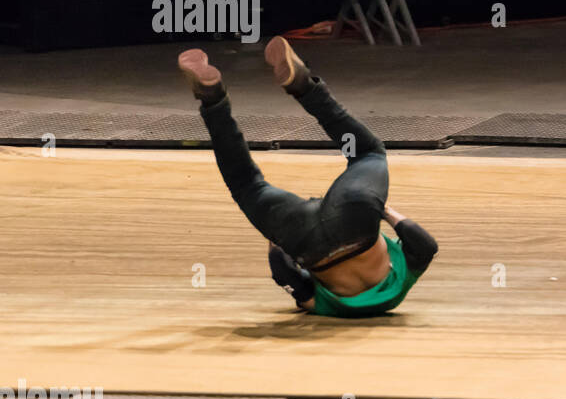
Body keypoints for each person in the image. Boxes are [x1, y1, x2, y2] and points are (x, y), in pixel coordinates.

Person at [177, 36, 437, 318]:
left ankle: (305, 88)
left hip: (357, 218)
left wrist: (384, 211)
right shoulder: (325, 307)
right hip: (307, 241)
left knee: (367, 153)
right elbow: (282, 268)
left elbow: (425, 246)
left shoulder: (395, 295)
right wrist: (277, 231)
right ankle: (212, 99)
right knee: (246, 184)